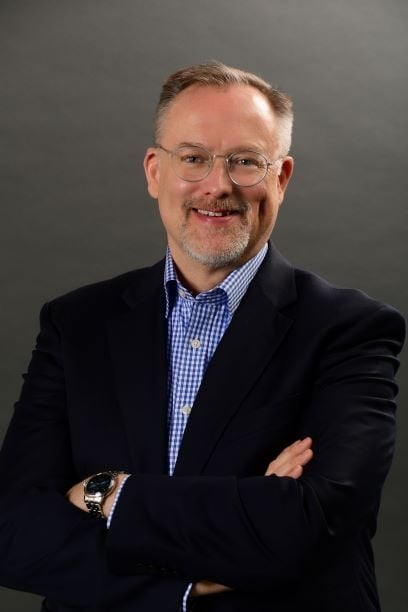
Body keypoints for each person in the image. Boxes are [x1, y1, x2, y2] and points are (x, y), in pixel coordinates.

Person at [0, 61, 405, 612]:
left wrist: (106, 493)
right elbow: (13, 529)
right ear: (153, 172)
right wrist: (184, 583)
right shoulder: (76, 324)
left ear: (281, 178)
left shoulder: (351, 330)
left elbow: (310, 524)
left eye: (245, 162)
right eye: (193, 158)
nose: (217, 186)